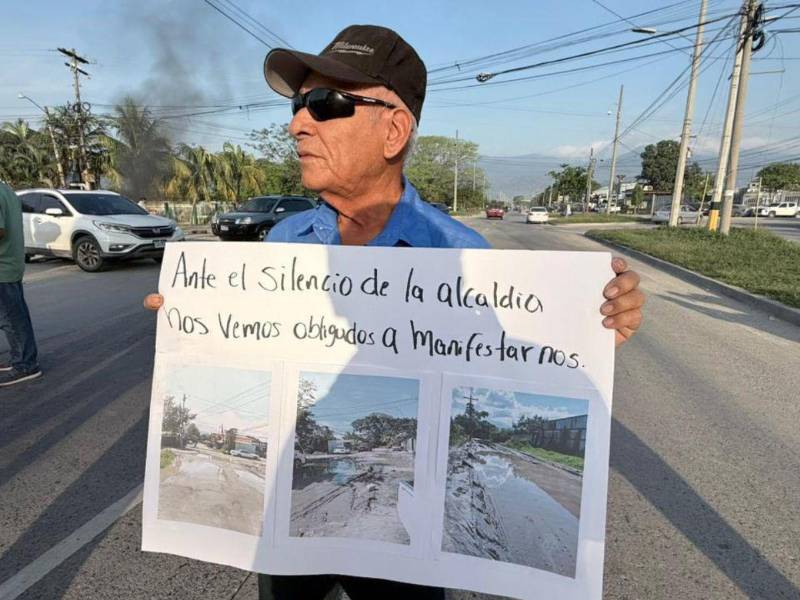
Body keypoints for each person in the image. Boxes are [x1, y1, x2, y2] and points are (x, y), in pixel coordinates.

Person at [145, 24, 644, 599]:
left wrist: (588, 329)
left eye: (323, 104)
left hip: (408, 549)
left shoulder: (459, 254)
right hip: (288, 530)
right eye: (296, 105)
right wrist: (190, 326)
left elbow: (506, 367)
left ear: (394, 129)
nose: (296, 124)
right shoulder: (284, 238)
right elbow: (252, 350)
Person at [0, 181, 42, 386]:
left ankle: (25, 364)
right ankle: (20, 356)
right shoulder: (6, 190)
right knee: (12, 316)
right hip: (10, 263)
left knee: (12, 319)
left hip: (3, 267)